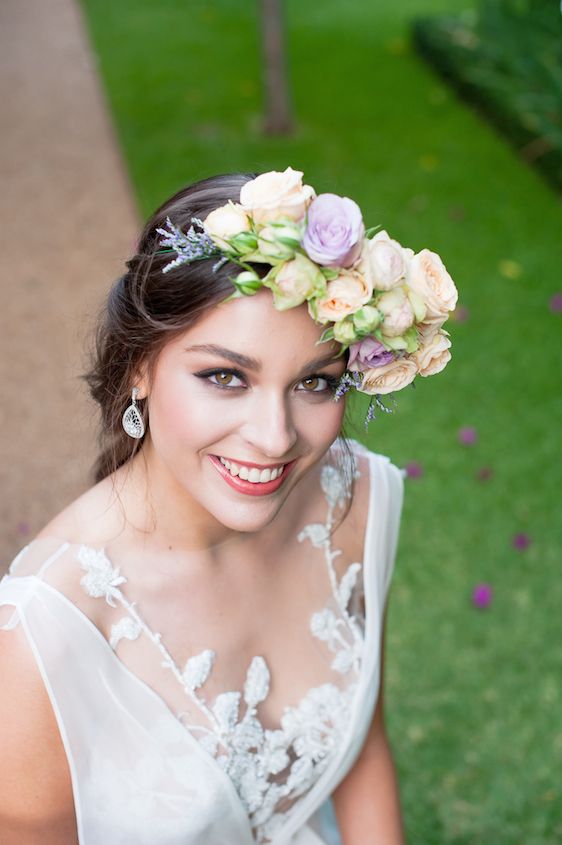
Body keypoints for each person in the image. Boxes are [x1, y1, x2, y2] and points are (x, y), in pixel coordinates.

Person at [0, 167, 457, 844]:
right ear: (139, 367)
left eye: (315, 382)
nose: (275, 437)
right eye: (225, 376)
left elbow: (363, 751)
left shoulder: (349, 498)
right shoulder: (41, 636)